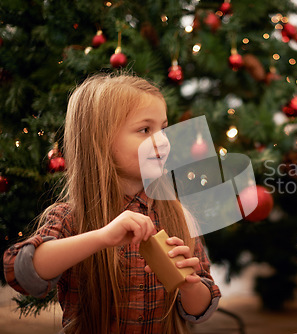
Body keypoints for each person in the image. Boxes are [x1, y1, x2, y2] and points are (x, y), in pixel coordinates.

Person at [3, 73, 220, 333]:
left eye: (163, 128)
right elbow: (21, 272)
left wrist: (189, 284)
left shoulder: (177, 215)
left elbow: (200, 310)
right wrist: (102, 238)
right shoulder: (70, 217)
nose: (163, 140)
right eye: (144, 130)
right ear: (101, 140)